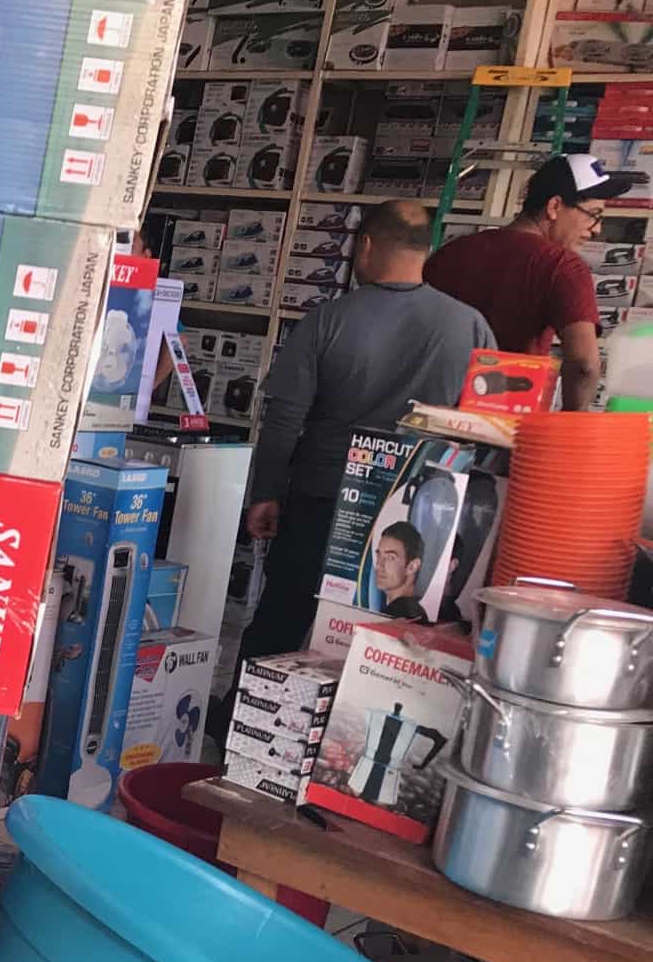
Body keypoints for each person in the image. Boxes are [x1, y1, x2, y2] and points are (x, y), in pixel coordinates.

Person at [238, 200, 493, 664]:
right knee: (397, 639)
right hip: (421, 511)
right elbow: (487, 428)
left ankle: (247, 703)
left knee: (282, 619)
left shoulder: (328, 319)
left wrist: (266, 492)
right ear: (427, 249)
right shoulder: (470, 326)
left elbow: (284, 418)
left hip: (323, 501)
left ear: (367, 245)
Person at [424, 152, 633, 411]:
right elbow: (584, 365)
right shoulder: (561, 265)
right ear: (554, 206)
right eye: (593, 214)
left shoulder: (451, 252)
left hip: (433, 411)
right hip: (506, 415)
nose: (597, 228)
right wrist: (572, 421)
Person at [373, 521, 428, 622]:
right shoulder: (417, 612)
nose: (378, 565)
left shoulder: (396, 617)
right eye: (378, 555)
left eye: (390, 557)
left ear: (412, 567)